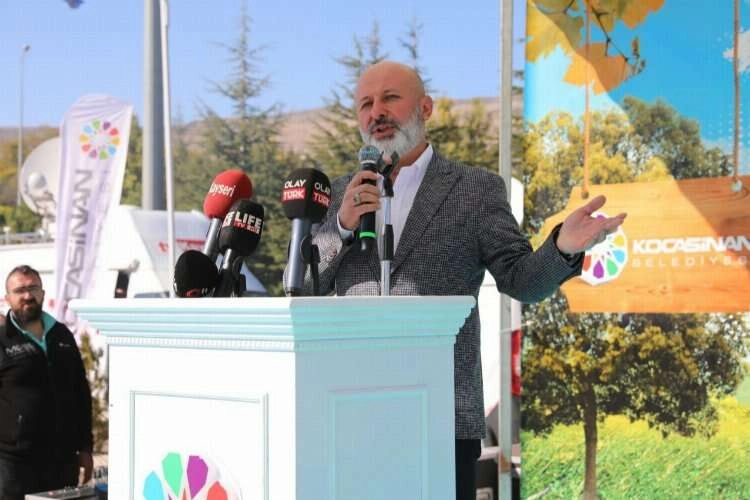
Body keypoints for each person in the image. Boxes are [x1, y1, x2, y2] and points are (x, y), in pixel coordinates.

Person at [298, 60, 626, 499]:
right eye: (365, 103)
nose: (377, 112)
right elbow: (301, 286)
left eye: (390, 98)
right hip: (352, 414)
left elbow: (521, 279)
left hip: (443, 419)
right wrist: (340, 227)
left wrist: (563, 247)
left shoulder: (474, 189)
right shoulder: (340, 194)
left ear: (426, 108)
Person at [0, 265, 93, 499]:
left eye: (33, 288)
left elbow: (81, 393)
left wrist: (85, 448)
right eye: (19, 290)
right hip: (13, 465)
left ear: (42, 293)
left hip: (62, 461)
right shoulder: (2, 339)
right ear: (7, 298)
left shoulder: (62, 334)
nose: (27, 295)